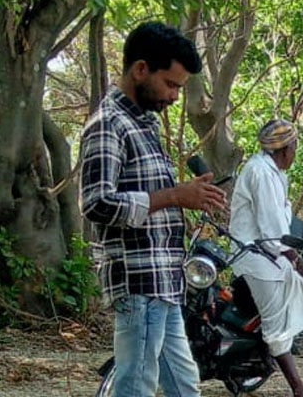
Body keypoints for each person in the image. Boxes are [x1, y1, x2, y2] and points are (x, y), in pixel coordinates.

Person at [80, 22, 228, 397]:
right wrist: (176, 196)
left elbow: (153, 199)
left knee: (184, 387)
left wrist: (192, 196)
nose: (176, 96)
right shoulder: (109, 125)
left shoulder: (144, 124)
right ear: (141, 69)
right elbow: (96, 203)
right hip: (139, 282)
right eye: (171, 84)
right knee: (136, 386)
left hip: (165, 284)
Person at [230, 119, 303, 397]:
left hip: (272, 253)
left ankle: (269, 348)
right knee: (275, 324)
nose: (295, 152)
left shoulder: (274, 173)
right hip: (257, 256)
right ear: (286, 149)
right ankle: (298, 387)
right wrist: (296, 260)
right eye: (295, 146)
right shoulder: (261, 173)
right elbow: (270, 228)